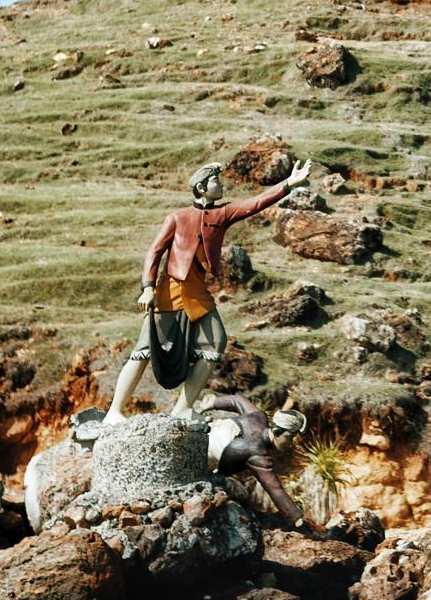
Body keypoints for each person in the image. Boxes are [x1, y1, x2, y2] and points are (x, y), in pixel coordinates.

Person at [103, 156, 312, 424]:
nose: (221, 185)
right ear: (201, 187)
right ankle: (114, 411)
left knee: (215, 341)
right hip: (171, 290)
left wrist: (289, 184)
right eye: (215, 181)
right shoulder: (177, 218)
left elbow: (254, 204)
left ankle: (183, 407)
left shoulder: (221, 214)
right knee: (144, 349)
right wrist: (147, 287)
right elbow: (154, 252)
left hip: (197, 292)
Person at [198, 392, 307, 527]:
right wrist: (295, 517)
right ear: (278, 432)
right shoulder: (259, 457)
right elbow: (275, 488)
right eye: (291, 437)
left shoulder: (258, 417)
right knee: (233, 489)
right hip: (202, 458)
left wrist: (214, 402)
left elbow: (237, 401)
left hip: (205, 431)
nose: (292, 443)